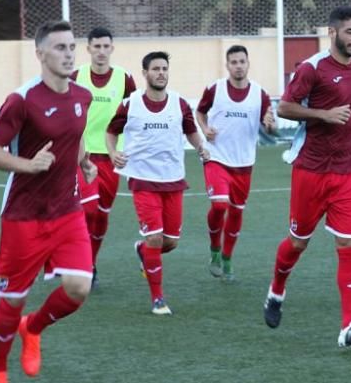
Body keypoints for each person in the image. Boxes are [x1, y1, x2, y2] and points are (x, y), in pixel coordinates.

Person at [0, 21, 97, 383]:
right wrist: (29, 166)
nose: (68, 54)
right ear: (41, 53)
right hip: (23, 215)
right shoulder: (22, 99)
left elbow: (74, 135)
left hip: (67, 208)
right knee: (12, 300)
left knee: (79, 288)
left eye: (71, 47)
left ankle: (35, 328)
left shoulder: (82, 95)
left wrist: (85, 162)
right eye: (60, 47)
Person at [263, 6, 351, 347]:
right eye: (350, 32)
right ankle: (276, 290)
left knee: (348, 244)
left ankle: (348, 327)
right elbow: (285, 107)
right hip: (311, 171)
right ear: (332, 33)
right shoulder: (312, 68)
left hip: (349, 170)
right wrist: (323, 114)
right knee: (298, 243)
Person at [106, 51, 209, 316]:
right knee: (154, 237)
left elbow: (191, 131)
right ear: (145, 73)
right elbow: (111, 131)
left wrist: (201, 148)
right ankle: (158, 299)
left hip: (173, 180)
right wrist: (113, 152)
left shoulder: (179, 103)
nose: (161, 72)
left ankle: (142, 251)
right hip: (142, 179)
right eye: (155, 69)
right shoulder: (131, 104)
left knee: (169, 242)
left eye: (164, 68)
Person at [195, 45, 276, 282]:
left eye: (242, 61)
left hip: (244, 163)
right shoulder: (215, 89)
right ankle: (214, 250)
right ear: (227, 65)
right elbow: (200, 112)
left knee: (237, 211)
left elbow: (270, 125)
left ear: (248, 63)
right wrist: (205, 128)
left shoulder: (259, 94)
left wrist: (271, 124)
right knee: (220, 206)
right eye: (234, 62)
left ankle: (228, 257)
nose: (238, 66)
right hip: (216, 157)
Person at [71, 27, 137, 286]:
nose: (100, 51)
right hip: (82, 156)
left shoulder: (124, 78)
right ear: (88, 49)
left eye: (105, 46)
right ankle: (75, 259)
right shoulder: (77, 76)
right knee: (87, 210)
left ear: (112, 48)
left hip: (112, 157)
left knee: (101, 215)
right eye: (95, 46)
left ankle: (90, 264)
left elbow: (135, 114)